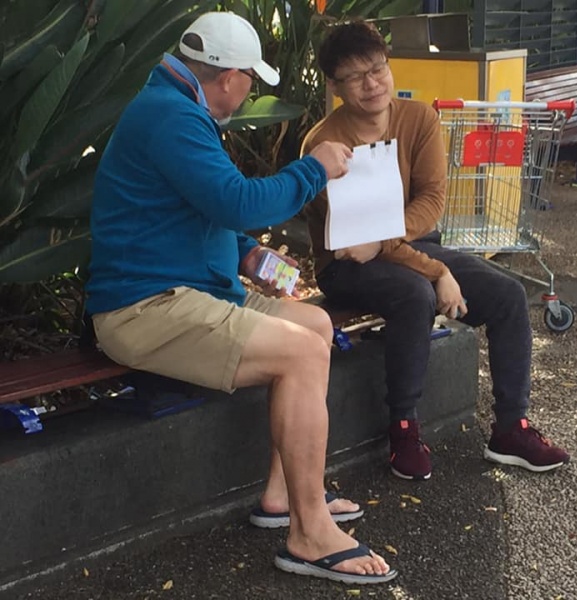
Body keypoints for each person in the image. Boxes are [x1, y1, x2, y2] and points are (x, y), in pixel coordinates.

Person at [86, 11, 395, 585]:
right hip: (144, 308)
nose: (249, 90)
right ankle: (309, 534)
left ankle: (283, 496)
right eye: (250, 80)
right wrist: (314, 168)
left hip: (189, 290)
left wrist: (247, 255)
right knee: (304, 353)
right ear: (229, 78)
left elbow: (191, 209)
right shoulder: (171, 117)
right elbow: (240, 201)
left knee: (317, 327)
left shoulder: (176, 107)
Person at [301, 21, 570, 482]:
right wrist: (436, 272)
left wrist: (423, 260)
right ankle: (403, 429)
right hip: (346, 262)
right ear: (334, 86)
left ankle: (511, 429)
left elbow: (431, 202)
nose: (372, 83)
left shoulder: (419, 118)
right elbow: (356, 240)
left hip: (404, 248)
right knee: (415, 295)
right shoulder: (324, 145)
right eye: (356, 76)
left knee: (506, 295)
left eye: (378, 68)